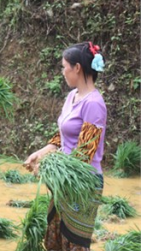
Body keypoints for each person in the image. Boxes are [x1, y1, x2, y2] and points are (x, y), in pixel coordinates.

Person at [23, 42, 106, 250]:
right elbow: (63, 136)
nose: (62, 72)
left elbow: (84, 154)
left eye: (64, 67)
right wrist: (40, 153)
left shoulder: (94, 104)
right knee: (55, 238)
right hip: (64, 181)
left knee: (74, 243)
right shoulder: (72, 96)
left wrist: (46, 171)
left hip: (81, 183)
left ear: (77, 68)